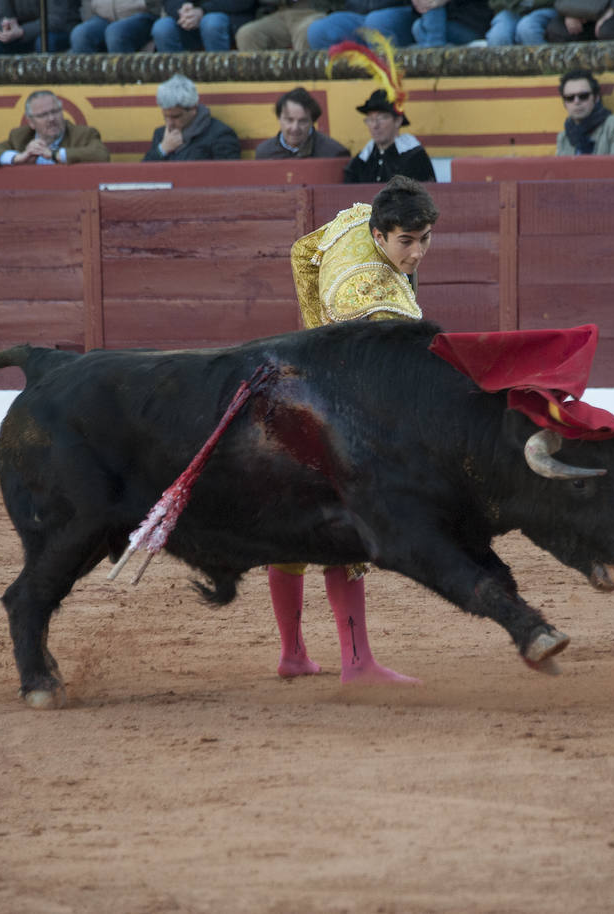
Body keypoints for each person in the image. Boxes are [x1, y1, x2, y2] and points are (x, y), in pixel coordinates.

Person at [273, 175, 440, 685]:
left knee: (291, 536)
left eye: (425, 238)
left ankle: (294, 654)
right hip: (336, 417)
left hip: (293, 396)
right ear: (381, 234)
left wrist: (311, 333)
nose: (416, 254)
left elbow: (304, 252)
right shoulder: (372, 298)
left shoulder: (356, 220)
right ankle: (357, 663)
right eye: (406, 242)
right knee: (344, 531)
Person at [0, 91, 109, 166]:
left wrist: (55, 154)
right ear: (31, 122)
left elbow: (102, 155)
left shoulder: (83, 134)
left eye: (55, 111)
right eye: (43, 115)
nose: (51, 119)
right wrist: (18, 158)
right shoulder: (20, 137)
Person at [142, 74, 241, 162]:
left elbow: (228, 177)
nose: (169, 123)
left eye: (176, 117)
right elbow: (144, 177)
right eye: (165, 117)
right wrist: (161, 150)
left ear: (193, 109)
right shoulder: (160, 135)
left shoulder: (220, 135)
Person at [344, 88, 435, 183]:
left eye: (382, 118)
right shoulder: (362, 159)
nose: (375, 125)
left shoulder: (414, 157)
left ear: (398, 121)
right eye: (370, 119)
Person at [555, 68, 614, 156]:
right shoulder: (563, 137)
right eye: (570, 98)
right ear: (565, 103)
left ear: (596, 98)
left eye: (583, 96)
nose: (576, 102)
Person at [254, 87, 351, 159]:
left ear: (312, 121)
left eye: (303, 121)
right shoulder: (264, 152)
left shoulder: (333, 153)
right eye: (289, 120)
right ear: (279, 118)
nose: (295, 128)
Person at [305, 0, 414, 50]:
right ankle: (349, 83)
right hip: (358, 15)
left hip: (404, 11)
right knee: (317, 31)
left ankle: (387, 85)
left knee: (376, 23)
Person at [150, 0, 253, 50]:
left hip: (228, 18)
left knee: (211, 23)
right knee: (162, 28)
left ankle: (218, 80)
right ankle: (176, 83)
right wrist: (183, 10)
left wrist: (203, 11)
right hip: (188, 20)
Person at [0, 0, 77, 52]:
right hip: (20, 32)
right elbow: (2, 15)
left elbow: (57, 20)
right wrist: (6, 27)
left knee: (44, 43)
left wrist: (22, 31)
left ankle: (49, 83)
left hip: (60, 30)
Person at [543, 0, 614, 43]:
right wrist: (570, 12)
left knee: (608, 31)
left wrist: (613, 9)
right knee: (556, 30)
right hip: (588, 10)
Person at [234, 0, 327, 50]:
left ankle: (304, 82)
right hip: (277, 13)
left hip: (313, 12)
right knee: (247, 34)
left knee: (306, 34)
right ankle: (261, 83)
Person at [70, 0, 153, 52]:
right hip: (102, 16)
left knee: (116, 33)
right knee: (80, 34)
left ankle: (124, 79)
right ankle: (89, 79)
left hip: (141, 13)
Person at [411, 0, 491, 47]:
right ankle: (436, 50)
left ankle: (435, 48)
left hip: (472, 27)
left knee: (421, 28)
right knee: (417, 27)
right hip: (444, 26)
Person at [485, 0, 554, 45]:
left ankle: (542, 66)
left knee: (527, 29)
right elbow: (495, 3)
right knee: (497, 37)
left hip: (545, 7)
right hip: (510, 10)